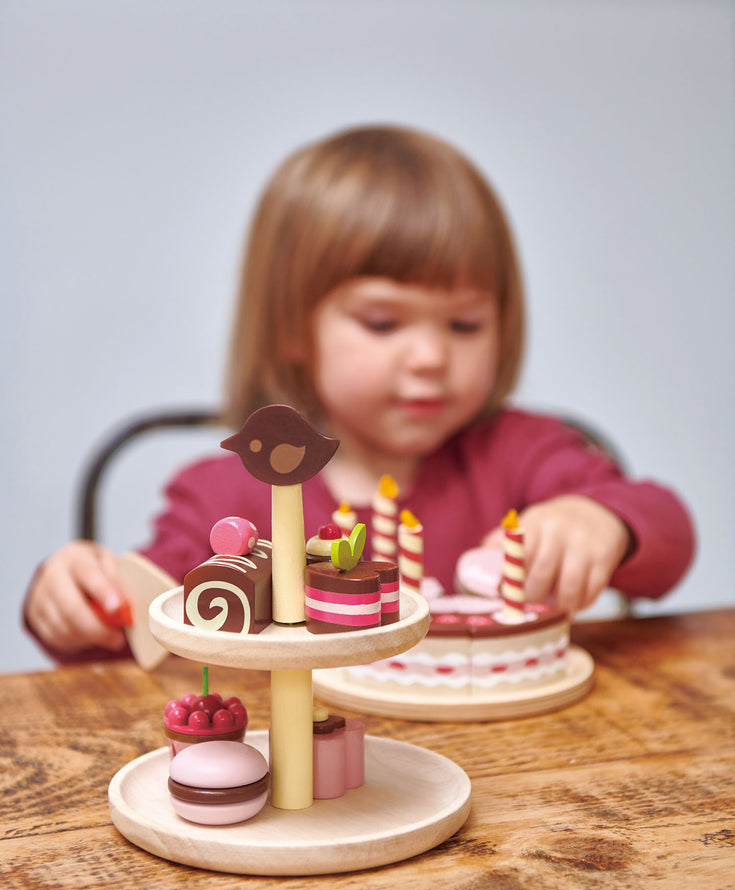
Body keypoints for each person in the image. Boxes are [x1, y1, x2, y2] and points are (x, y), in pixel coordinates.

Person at [24, 124, 695, 661]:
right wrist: (77, 599)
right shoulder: (222, 499)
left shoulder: (525, 455)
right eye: (382, 322)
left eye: (465, 324)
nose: (431, 357)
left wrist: (602, 523)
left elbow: (665, 535)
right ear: (293, 328)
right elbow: (132, 631)